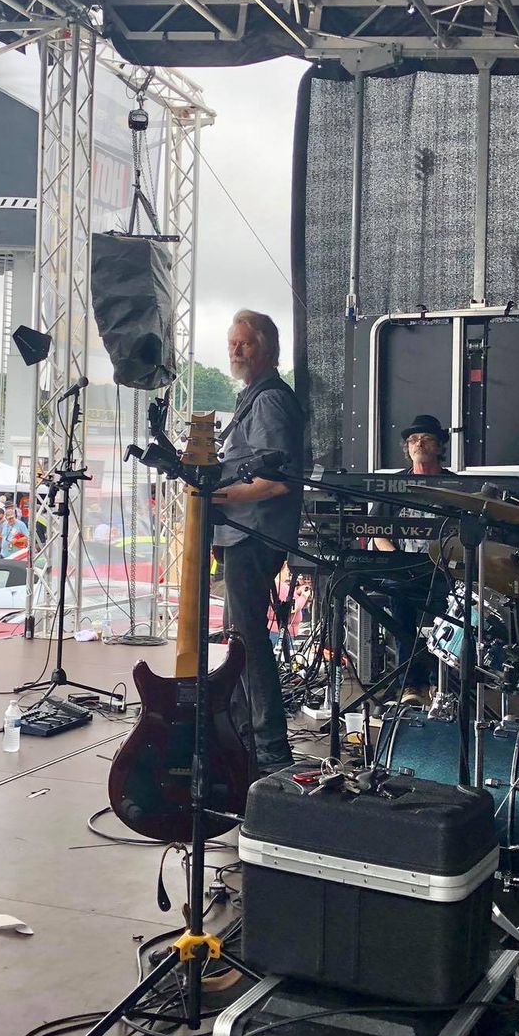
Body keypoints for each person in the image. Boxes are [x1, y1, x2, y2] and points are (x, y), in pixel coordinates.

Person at [213, 309, 305, 777]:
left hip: (255, 534)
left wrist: (216, 496)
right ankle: (242, 739)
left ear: (267, 349)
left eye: (245, 343)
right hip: (242, 533)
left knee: (246, 640)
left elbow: (278, 480)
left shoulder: (268, 401)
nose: (236, 350)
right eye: (232, 342)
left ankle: (270, 750)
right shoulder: (250, 397)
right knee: (237, 638)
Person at [368, 414, 456, 701]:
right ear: (407, 447)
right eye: (413, 439)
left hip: (444, 571)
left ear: (439, 446)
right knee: (401, 615)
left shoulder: (456, 486)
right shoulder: (394, 484)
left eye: (426, 438)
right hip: (404, 569)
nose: (418, 443)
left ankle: (441, 682)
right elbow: (376, 531)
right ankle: (410, 684)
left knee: (451, 619)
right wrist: (396, 561)